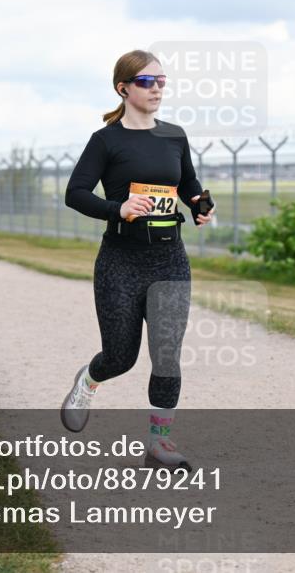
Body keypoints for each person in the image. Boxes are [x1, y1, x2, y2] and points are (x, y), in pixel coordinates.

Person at [59, 49, 216, 471]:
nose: (158, 88)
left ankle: (159, 444)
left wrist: (201, 203)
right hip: (120, 263)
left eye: (162, 80)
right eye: (148, 81)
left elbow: (188, 184)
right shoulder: (106, 140)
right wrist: (119, 209)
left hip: (169, 261)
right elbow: (75, 193)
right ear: (123, 88)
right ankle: (88, 381)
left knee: (166, 354)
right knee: (120, 357)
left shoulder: (174, 135)